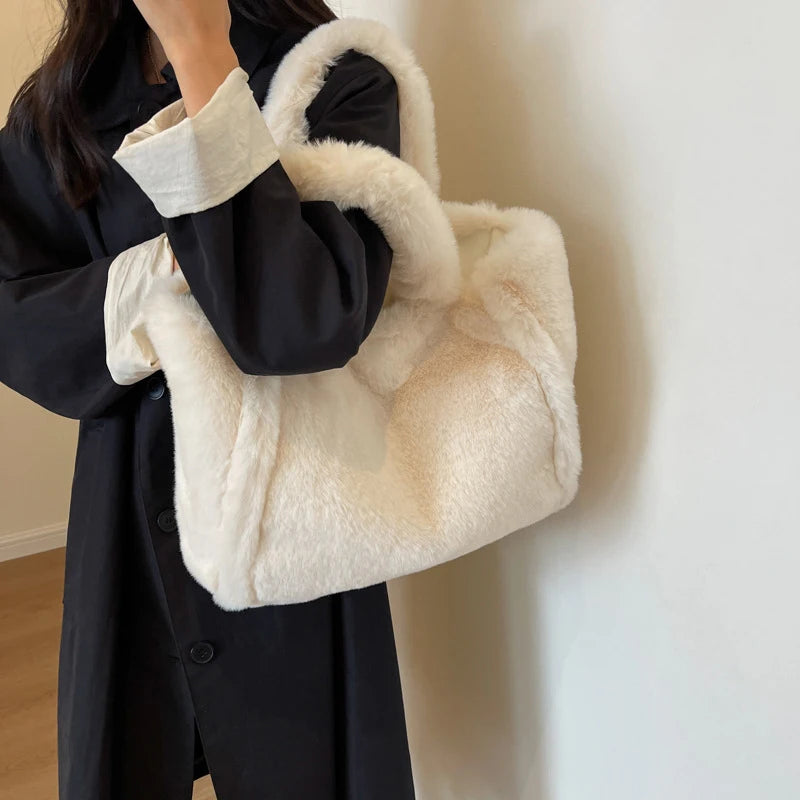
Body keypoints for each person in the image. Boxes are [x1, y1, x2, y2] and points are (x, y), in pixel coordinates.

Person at [0, 1, 416, 798]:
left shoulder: (338, 77)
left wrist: (200, 52)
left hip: (296, 509)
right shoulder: (66, 101)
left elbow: (303, 323)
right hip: (128, 510)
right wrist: (174, 275)